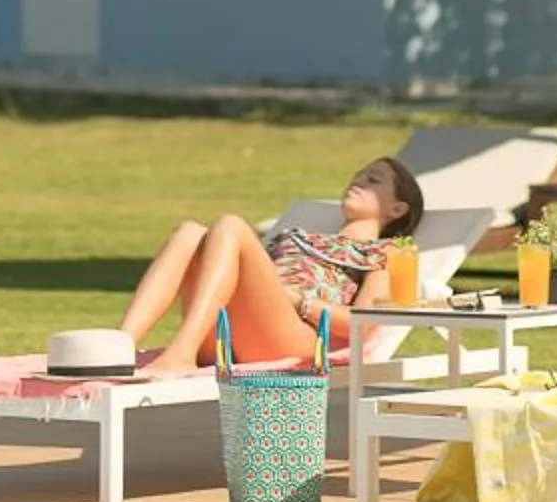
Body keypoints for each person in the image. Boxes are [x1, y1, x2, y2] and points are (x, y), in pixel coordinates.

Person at [116, 154, 428, 377]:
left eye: (373, 180)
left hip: (297, 340)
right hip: (237, 333)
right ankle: (118, 346)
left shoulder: (387, 253)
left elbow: (364, 323)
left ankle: (182, 352)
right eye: (359, 175)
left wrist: (299, 300)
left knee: (231, 226)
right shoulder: (299, 236)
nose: (358, 181)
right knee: (189, 233)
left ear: (397, 209)